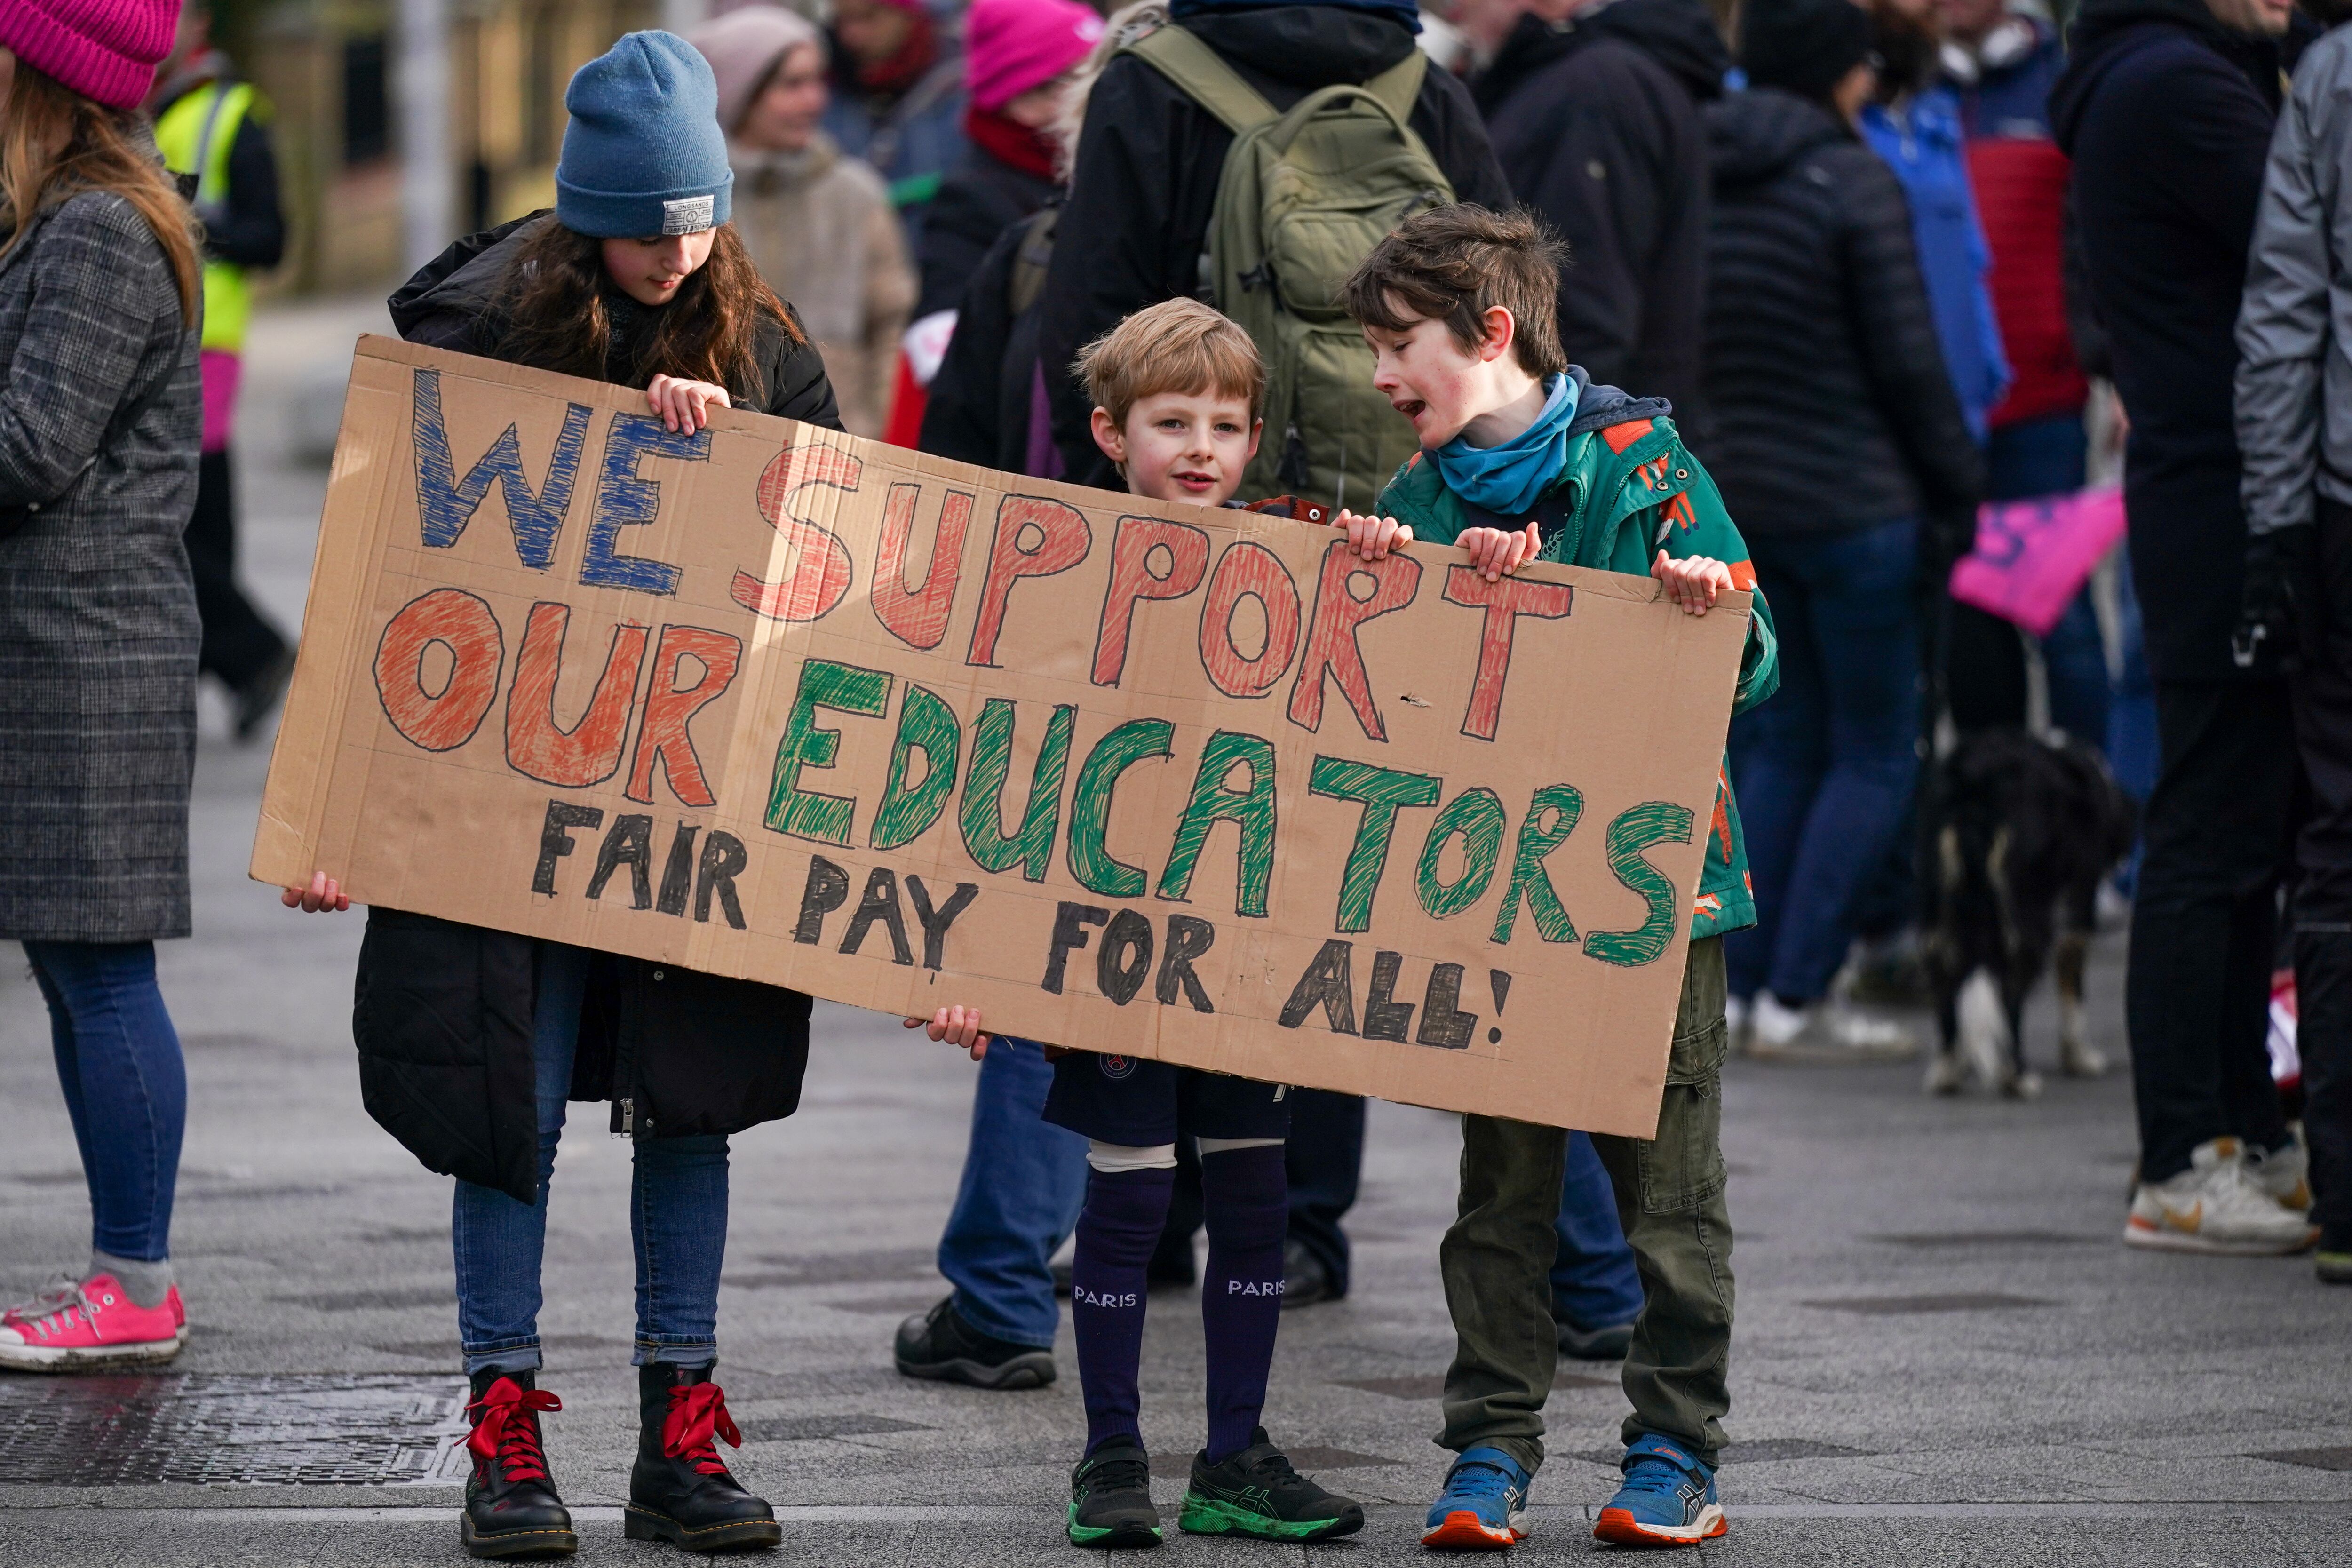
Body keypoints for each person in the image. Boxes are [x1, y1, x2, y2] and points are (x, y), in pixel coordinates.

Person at [290, 33, 842, 1557]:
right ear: (584, 210)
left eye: (700, 222)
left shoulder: (763, 347)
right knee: (503, 1113)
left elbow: (840, 557)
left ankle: (682, 1423)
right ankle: (505, 1424)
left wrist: (743, 459)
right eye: (648, 223)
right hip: (493, 805)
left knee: (692, 1104)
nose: (677, 252)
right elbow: (382, 574)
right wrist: (340, 815)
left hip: (679, 801)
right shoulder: (472, 338)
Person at [1338, 203, 1775, 1551]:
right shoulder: (1411, 505)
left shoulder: (1648, 466)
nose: (1376, 376)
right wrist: (1393, 596)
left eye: (1396, 343)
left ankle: (1674, 1450)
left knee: (1672, 1190)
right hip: (1496, 905)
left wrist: (1706, 603)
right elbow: (1385, 710)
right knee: (1503, 1190)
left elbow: (1758, 660)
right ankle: (1489, 1445)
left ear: (1493, 333)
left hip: (1658, 901)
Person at [914, 297, 1368, 1549]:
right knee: (1125, 1195)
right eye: (1174, 422)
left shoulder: (1304, 549)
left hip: (1247, 942)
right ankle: (1111, 1452)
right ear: (1111, 432)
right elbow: (999, 770)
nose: (1204, 446)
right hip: (1108, 943)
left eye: (1229, 422)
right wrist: (973, 960)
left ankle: (1236, 1452)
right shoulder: (1056, 566)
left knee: (1256, 1193)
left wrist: (1390, 550)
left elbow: (1397, 648)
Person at [2053, 0, 2321, 1254]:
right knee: (2216, 823)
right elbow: (2316, 230)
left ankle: (2241, 1130)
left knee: (2248, 823)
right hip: (2226, 496)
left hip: (2208, 488)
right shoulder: (2178, 87)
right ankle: (2182, 1155)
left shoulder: (2154, 73)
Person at [1705, 0, 1982, 1060]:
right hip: (1861, 507)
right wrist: (1958, 487)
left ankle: (1741, 989)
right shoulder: (1854, 180)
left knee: (1779, 740)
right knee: (1877, 750)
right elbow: (1911, 363)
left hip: (1744, 509)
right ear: (1837, 73)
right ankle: (1799, 987)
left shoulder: (1703, 171)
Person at [0, 0, 203, 1376]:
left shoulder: (96, 232)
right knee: (78, 969)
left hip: (89, 654)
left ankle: (137, 1276)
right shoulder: (59, 219)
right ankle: (128, 1268)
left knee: (103, 972)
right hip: (65, 647)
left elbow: (29, 447)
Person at [1039, 0, 1513, 491]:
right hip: (1406, 518)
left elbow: (1089, 317)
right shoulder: (1430, 91)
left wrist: (1115, 500)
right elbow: (1505, 309)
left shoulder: (1149, 85)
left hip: (1202, 505)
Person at [2230, 0, 2352, 1285]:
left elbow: (2285, 313)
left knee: (2337, 839)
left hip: (2340, 500)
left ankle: (2348, 1193)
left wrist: (2275, 526)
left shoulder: (2326, 77)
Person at [1937, 0, 2112, 745]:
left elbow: (2101, 232)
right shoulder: (1915, 92)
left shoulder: (2058, 81)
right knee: (1971, 625)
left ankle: (2087, 803)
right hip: (1946, 411)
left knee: (2062, 616)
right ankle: (1997, 815)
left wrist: (2099, 353)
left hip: (2044, 404)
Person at [1467, 0, 1729, 446]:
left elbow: (1580, 312)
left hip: (1585, 457)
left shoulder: (1594, 90)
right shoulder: (1590, 78)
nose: (1454, 9)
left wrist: (1555, 471)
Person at [147, 1, 291, 740]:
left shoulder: (234, 112)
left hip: (208, 345)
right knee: (199, 517)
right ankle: (236, 664)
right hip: (163, 339)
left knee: (175, 521)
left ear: (199, 25)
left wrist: (187, 225)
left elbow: (272, 238)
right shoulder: (141, 105)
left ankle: (253, 655)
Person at [688, 4, 913, 437]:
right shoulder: (696, 197)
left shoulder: (857, 194)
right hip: (715, 447)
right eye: (792, 84)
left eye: (817, 81)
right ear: (739, 94)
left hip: (842, 449)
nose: (815, 100)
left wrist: (877, 438)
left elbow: (892, 330)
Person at [894, 0, 1105, 441]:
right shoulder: (973, 197)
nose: (1101, 94)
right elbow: (948, 348)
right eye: (1078, 79)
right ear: (1023, 96)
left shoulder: (1090, 173)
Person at [826, 0, 968, 241]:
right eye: (842, 20)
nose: (852, 35)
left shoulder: (962, 85)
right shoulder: (822, 90)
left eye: (869, 17)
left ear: (907, 14)